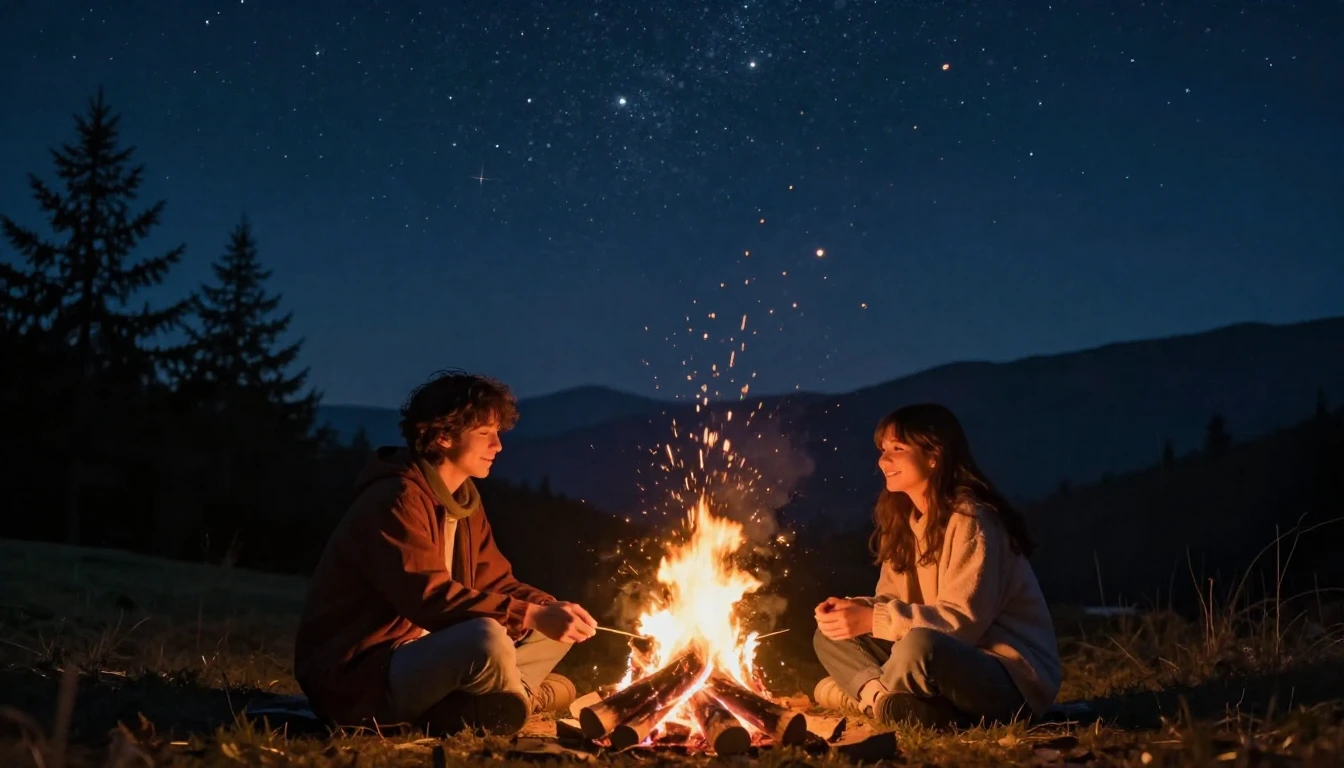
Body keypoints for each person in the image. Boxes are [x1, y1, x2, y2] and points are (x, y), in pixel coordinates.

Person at [295, 370, 598, 736]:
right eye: (485, 434)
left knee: (550, 628)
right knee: (487, 638)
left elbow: (497, 582)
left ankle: (494, 704)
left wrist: (549, 608)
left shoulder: (464, 502)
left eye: (498, 434)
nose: (498, 446)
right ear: (443, 436)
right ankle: (520, 700)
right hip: (362, 680)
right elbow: (428, 598)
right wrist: (529, 614)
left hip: (428, 662)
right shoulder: (395, 500)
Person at [812, 403, 1061, 728]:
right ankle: (894, 705)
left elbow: (961, 624)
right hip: (928, 662)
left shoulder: (972, 519)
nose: (883, 461)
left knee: (919, 645)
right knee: (829, 634)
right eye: (883, 449)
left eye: (897, 449)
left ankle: (868, 697)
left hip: (1006, 678)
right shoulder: (904, 523)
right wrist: (856, 611)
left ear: (934, 455)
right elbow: (892, 604)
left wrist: (872, 619)